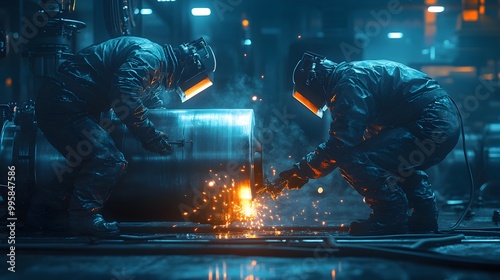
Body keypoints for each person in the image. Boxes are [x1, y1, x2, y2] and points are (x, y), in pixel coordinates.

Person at [28, 36, 216, 236]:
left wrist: (159, 124)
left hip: (67, 101)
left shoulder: (155, 60)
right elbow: (124, 95)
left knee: (81, 162)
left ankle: (41, 215)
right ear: (189, 67)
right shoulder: (150, 57)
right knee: (107, 159)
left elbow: (146, 96)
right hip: (64, 104)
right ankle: (84, 218)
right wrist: (150, 136)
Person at [266, 52, 460, 236]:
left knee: (353, 160)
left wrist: (302, 170)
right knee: (386, 161)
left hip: (431, 122)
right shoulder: (353, 75)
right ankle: (424, 218)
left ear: (315, 83)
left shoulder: (348, 84)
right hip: (440, 120)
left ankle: (389, 216)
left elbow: (341, 144)